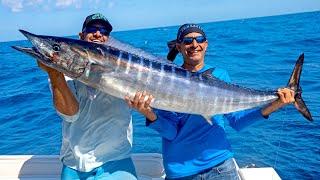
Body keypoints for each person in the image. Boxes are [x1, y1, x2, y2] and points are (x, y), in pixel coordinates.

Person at [126, 23, 295, 180]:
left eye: (199, 39)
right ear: (179, 47)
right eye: (187, 40)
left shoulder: (219, 76)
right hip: (181, 173)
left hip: (221, 168)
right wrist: (148, 113)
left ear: (206, 44)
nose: (194, 44)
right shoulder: (163, 79)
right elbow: (171, 132)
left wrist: (276, 104)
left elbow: (237, 122)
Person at [38, 13, 137, 180]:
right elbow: (70, 115)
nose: (98, 34)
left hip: (116, 160)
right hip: (75, 164)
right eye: (92, 29)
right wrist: (54, 73)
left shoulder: (126, 68)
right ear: (81, 35)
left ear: (108, 38)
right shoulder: (60, 72)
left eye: (104, 32)